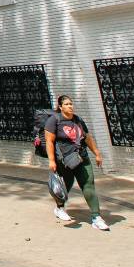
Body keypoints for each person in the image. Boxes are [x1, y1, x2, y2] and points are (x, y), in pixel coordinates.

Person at [45, 94, 108, 231]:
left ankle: (96, 217)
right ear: (60, 107)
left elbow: (87, 137)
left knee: (88, 184)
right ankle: (60, 208)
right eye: (67, 104)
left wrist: (96, 153)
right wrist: (51, 160)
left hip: (82, 158)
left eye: (71, 104)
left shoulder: (78, 120)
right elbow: (49, 141)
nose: (70, 106)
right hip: (65, 160)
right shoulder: (54, 120)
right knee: (65, 185)